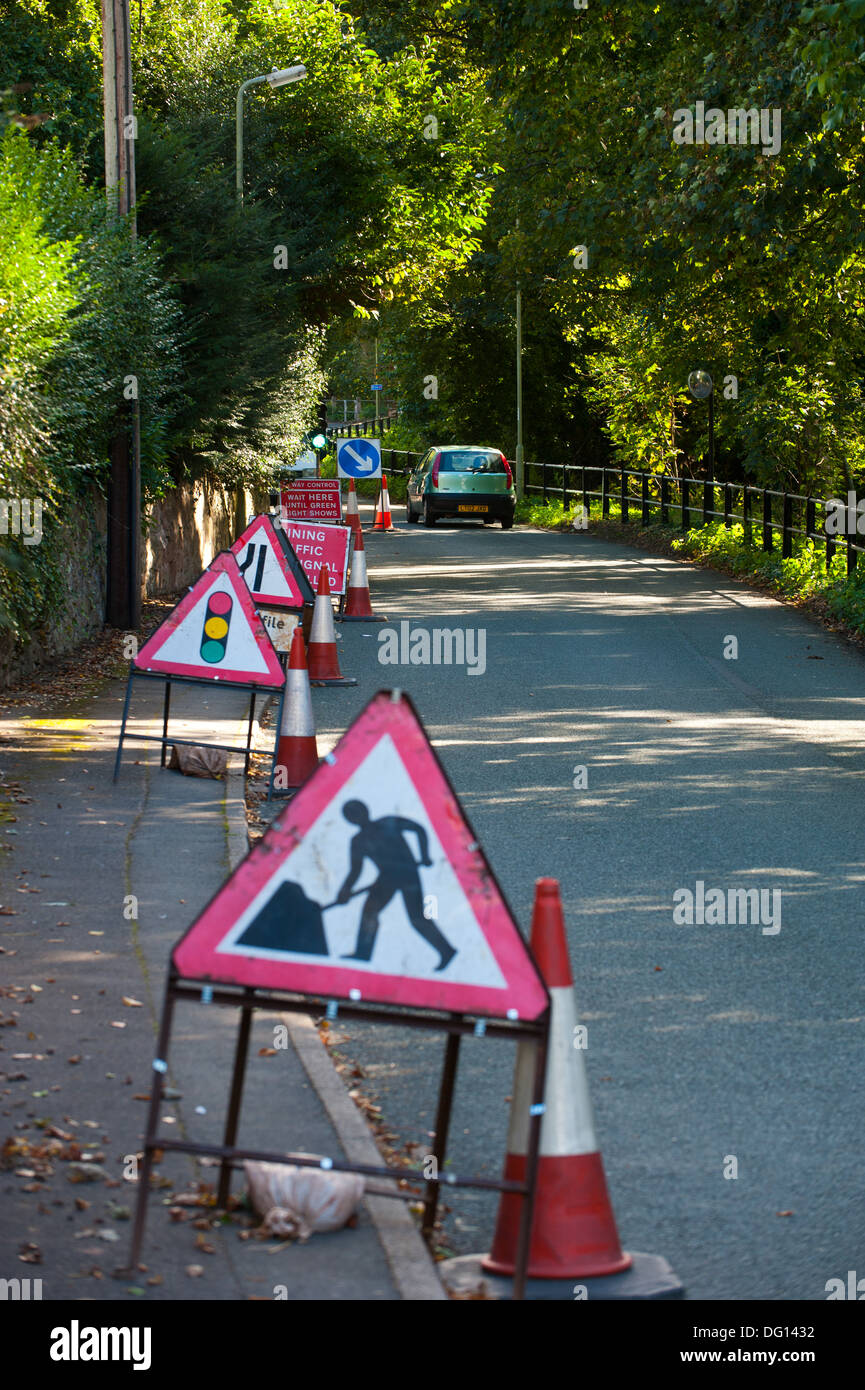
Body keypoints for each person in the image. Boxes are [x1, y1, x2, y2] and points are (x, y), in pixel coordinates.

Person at [335, 799, 456, 971]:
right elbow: (355, 871)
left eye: (358, 812)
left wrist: (425, 855)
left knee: (417, 918)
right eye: (351, 815)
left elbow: (419, 829)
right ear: (349, 820)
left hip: (408, 873)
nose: (356, 817)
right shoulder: (358, 841)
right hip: (387, 878)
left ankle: (447, 951)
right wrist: (345, 890)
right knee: (369, 911)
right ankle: (362, 954)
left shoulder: (388, 822)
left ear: (366, 810)